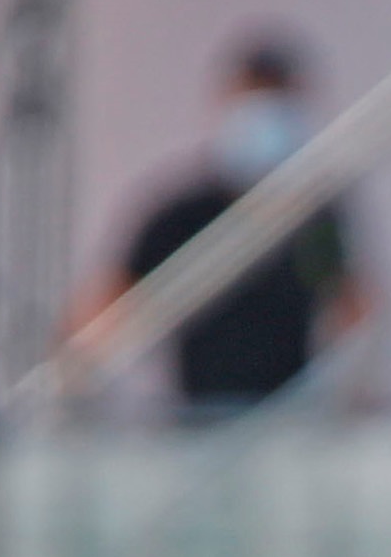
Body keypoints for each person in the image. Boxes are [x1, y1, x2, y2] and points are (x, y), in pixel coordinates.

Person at [101, 33, 365, 413]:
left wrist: (359, 394)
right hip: (197, 420)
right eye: (255, 100)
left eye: (278, 101)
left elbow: (355, 309)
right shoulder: (184, 212)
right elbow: (104, 310)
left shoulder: (313, 219)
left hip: (284, 421)